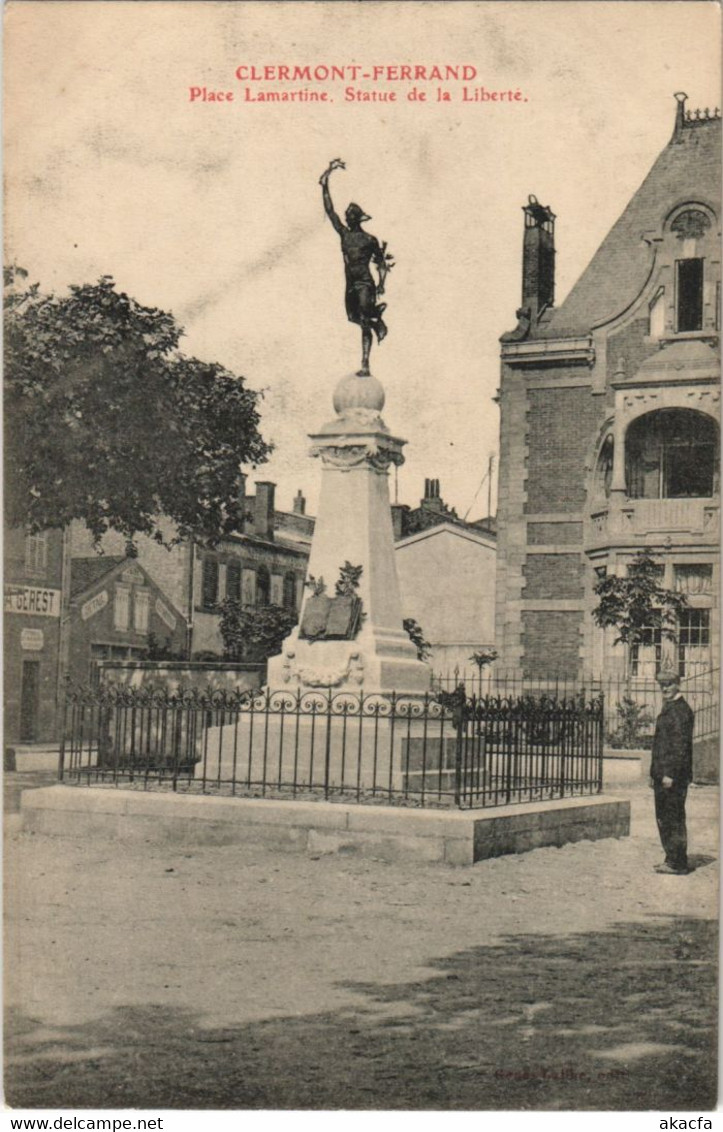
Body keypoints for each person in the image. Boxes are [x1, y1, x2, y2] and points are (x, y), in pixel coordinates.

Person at [319, 158, 392, 376]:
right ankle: (375, 316)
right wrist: (326, 181)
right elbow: (329, 210)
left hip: (363, 282)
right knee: (355, 318)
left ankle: (365, 361)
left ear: (357, 219)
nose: (346, 218)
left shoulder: (370, 239)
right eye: (347, 217)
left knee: (365, 320)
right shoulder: (345, 234)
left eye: (350, 216)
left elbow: (381, 263)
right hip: (350, 282)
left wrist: (380, 284)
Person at [650, 666, 694, 875]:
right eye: (662, 685)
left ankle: (677, 863)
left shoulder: (680, 710)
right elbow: (660, 745)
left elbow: (679, 747)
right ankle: (672, 858)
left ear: (678, 684)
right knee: (665, 817)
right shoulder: (670, 708)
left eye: (668, 684)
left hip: (672, 776)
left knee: (673, 817)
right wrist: (654, 774)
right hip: (663, 775)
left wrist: (670, 774)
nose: (665, 688)